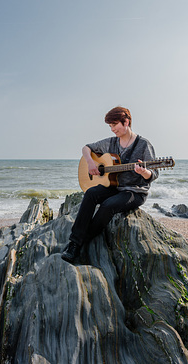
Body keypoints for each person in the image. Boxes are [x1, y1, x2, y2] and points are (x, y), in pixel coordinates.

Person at [61, 106, 159, 263]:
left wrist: (143, 172)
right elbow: (86, 148)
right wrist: (91, 162)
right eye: (110, 126)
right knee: (91, 193)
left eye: (115, 125)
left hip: (134, 192)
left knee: (108, 205)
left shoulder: (143, 145)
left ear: (126, 122)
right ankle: (74, 242)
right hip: (115, 187)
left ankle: (81, 242)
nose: (113, 129)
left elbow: (153, 174)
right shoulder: (112, 142)